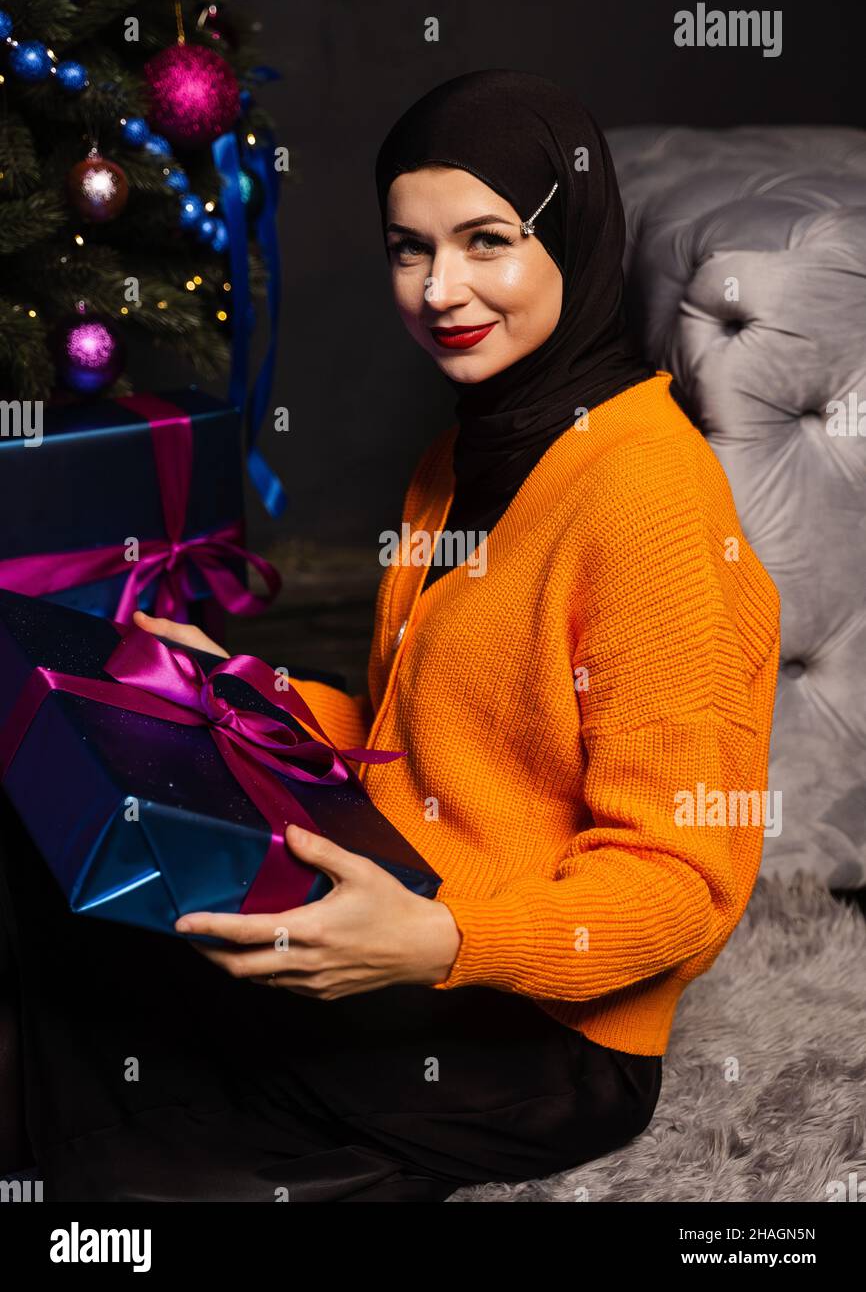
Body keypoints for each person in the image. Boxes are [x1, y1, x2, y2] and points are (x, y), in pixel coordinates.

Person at [0, 69, 780, 1202]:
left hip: (539, 1035)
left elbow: (680, 887)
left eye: (485, 241)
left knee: (145, 1054)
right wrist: (240, 684)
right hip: (404, 899)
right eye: (408, 248)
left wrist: (439, 942)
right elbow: (425, 741)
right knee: (91, 900)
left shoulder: (649, 502)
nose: (441, 289)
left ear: (574, 237)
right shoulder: (465, 451)